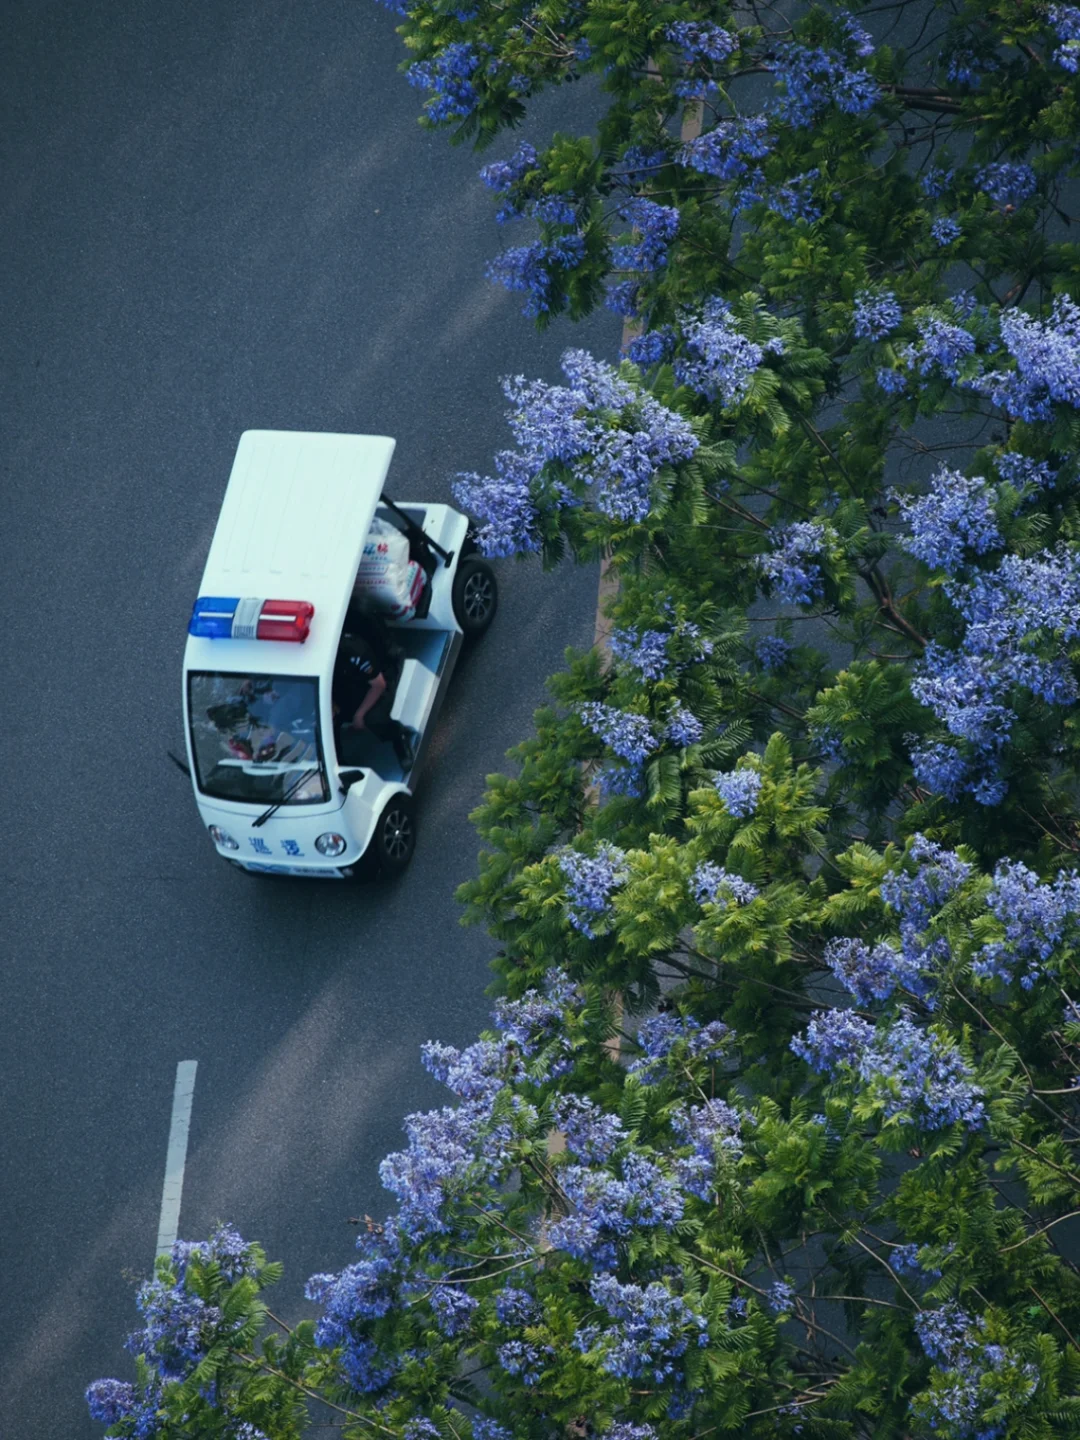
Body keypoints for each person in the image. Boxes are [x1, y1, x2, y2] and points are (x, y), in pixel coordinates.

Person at [332, 625, 416, 773]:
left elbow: (378, 685)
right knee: (325, 720)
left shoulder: (352, 649)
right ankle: (339, 765)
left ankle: (399, 737)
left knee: (374, 718)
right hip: (346, 691)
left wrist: (359, 715)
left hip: (374, 686)